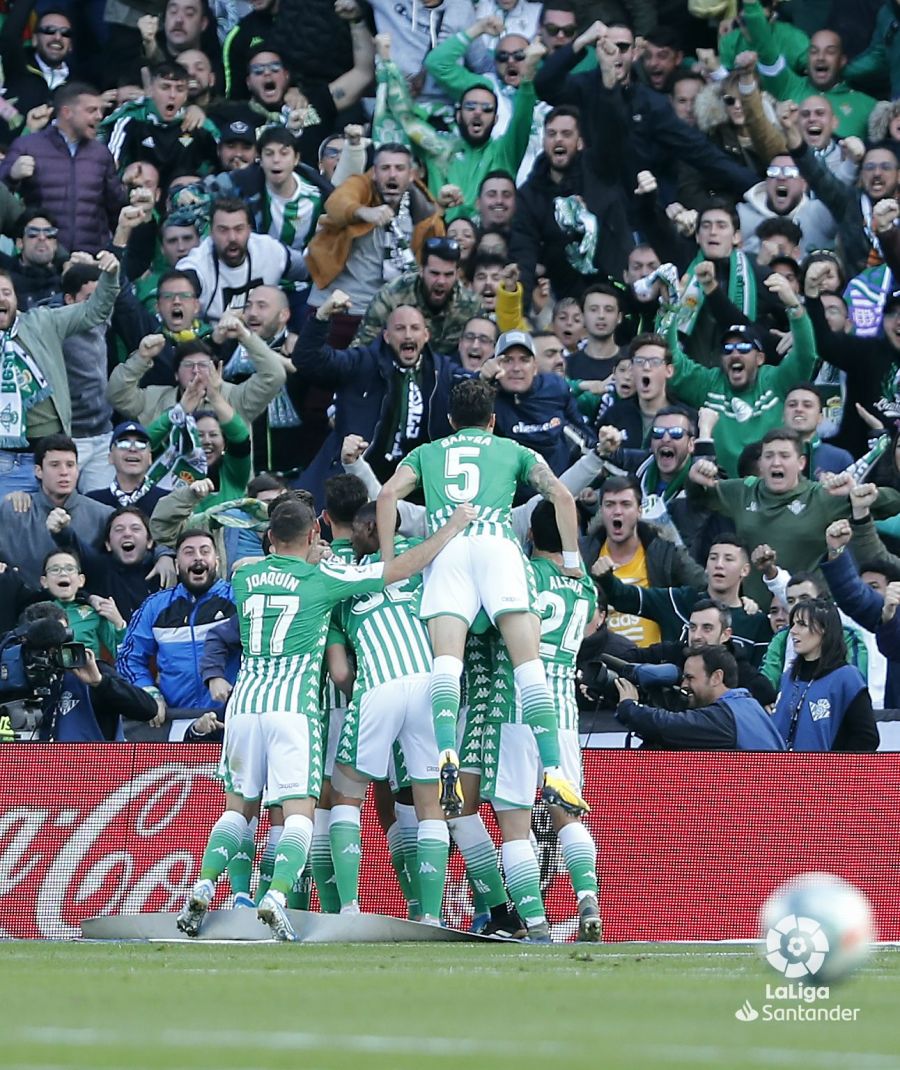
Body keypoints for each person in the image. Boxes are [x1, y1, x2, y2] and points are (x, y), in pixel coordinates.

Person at [176, 495, 475, 940]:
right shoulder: (322, 579)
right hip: (292, 708)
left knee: (238, 810)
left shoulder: (244, 574)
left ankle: (203, 886)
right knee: (300, 813)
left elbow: (215, 539)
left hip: (243, 705)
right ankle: (276, 897)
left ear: (271, 538)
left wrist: (252, 512)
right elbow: (398, 569)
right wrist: (450, 528)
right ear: (315, 534)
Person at [376, 377, 590, 819]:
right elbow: (562, 495)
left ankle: (446, 753)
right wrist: (571, 558)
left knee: (447, 666)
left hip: (448, 547)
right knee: (529, 665)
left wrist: (385, 557)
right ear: (493, 421)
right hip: (497, 544)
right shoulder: (514, 450)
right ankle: (553, 769)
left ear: (450, 422)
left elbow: (386, 494)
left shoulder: (426, 453)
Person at [688, 428, 900, 603]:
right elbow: (700, 497)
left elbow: (893, 501)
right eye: (769, 456)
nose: (776, 463)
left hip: (809, 613)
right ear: (761, 463)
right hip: (757, 612)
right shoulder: (743, 491)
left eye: (784, 456)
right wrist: (695, 475)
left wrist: (860, 492)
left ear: (801, 463)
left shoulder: (821, 495)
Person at [292, 293, 456, 503]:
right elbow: (308, 360)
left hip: (413, 489)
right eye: (400, 328)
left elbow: (473, 387)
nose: (407, 335)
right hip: (353, 479)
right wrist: (322, 316)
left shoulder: (441, 372)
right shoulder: (362, 362)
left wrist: (487, 375)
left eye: (414, 328)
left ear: (426, 335)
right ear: (386, 336)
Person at [666, 271, 816, 477]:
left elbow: (806, 355)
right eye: (727, 350)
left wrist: (794, 307)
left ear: (760, 358)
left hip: (772, 489)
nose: (734, 353)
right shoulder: (709, 383)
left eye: (744, 348)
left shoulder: (775, 380)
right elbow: (671, 362)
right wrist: (670, 310)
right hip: (723, 491)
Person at [306, 142, 446, 339]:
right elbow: (336, 203)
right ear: (374, 172)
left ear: (411, 175)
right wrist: (363, 212)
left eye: (399, 168)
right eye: (385, 168)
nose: (392, 175)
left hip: (384, 318)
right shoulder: (361, 188)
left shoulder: (422, 211)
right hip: (336, 310)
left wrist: (442, 206)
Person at [116, 529, 238, 738]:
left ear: (216, 561)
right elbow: (128, 657)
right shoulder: (155, 606)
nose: (198, 557)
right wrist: (149, 692)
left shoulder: (237, 598)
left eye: (204, 551)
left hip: (231, 717)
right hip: (175, 717)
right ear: (176, 564)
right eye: (189, 552)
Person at [593, 534, 771, 664]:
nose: (719, 564)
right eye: (713, 558)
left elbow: (757, 679)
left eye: (729, 559)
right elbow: (624, 597)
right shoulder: (679, 600)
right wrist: (605, 578)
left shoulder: (757, 622)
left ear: (745, 570)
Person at [0, 81, 125, 255]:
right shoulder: (28, 146)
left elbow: (115, 209)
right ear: (67, 112)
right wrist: (12, 175)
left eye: (100, 110)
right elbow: (2, 193)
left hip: (90, 260)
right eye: (91, 110)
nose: (99, 116)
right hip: (43, 259)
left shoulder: (101, 154)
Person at [12, 602, 158, 742]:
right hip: (27, 764)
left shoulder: (91, 670)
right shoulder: (13, 678)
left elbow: (148, 709)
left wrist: (100, 682)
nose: (53, 644)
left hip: (91, 764)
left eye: (60, 635)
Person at [614, 644, 786, 750]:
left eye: (690, 678)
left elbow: (670, 726)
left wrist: (630, 706)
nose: (684, 686)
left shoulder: (725, 717)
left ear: (716, 677)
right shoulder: (748, 706)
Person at [772, 598, 879, 751]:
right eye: (793, 623)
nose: (793, 630)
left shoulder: (847, 678)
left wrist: (834, 769)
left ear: (824, 629)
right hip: (782, 771)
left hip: (825, 772)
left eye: (802, 624)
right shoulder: (789, 676)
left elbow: (867, 738)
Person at [176, 197, 306, 322]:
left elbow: (312, 270)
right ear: (211, 232)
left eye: (239, 229)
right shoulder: (196, 265)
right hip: (216, 340)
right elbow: (171, 300)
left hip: (268, 340)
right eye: (223, 230)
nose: (232, 237)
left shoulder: (270, 249)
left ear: (250, 229)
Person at [352, 236, 483, 353]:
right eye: (434, 273)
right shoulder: (392, 296)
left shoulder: (470, 304)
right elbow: (362, 348)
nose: (441, 281)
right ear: (421, 270)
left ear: (457, 273)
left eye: (448, 275)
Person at [783, 382, 854, 477]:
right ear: (783, 416)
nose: (799, 409)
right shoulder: (767, 455)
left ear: (820, 418)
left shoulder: (840, 458)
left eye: (807, 405)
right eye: (792, 405)